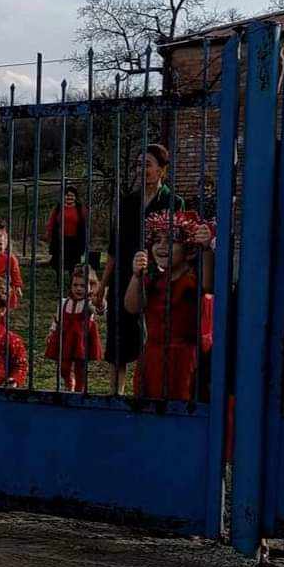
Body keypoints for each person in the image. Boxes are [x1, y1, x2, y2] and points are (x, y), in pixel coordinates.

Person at [97, 144, 184, 396]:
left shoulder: (173, 202)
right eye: (139, 164)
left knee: (152, 336)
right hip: (125, 276)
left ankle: (150, 391)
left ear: (161, 170)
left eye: (147, 164)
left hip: (158, 278)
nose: (142, 169)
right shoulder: (128, 201)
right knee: (118, 339)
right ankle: (116, 394)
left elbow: (177, 246)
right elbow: (115, 246)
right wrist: (103, 285)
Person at [124, 210, 214, 401]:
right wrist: (136, 276)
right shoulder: (153, 280)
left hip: (186, 360)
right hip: (154, 357)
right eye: (157, 240)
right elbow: (132, 307)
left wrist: (206, 249)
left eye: (171, 241)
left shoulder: (192, 280)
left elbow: (208, 285)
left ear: (189, 250)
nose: (162, 246)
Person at [45, 264, 102, 393]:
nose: (78, 289)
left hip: (81, 340)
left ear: (90, 287)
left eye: (83, 286)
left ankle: (79, 389)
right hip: (65, 338)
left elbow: (100, 309)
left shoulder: (89, 304)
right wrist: (52, 332)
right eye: (75, 285)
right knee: (63, 366)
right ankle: (68, 381)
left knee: (81, 367)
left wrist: (98, 301)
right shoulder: (64, 302)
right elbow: (57, 319)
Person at [46, 185, 88, 273]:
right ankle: (59, 279)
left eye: (72, 196)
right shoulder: (58, 208)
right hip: (60, 240)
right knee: (59, 262)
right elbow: (51, 222)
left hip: (75, 241)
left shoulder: (80, 209)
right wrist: (49, 235)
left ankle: (72, 279)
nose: (69, 197)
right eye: (67, 195)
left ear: (75, 197)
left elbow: (84, 224)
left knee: (73, 263)